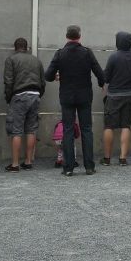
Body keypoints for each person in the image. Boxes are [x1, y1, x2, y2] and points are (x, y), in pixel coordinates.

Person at [45, 25, 106, 176]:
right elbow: (100, 74)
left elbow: (47, 76)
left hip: (66, 96)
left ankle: (68, 168)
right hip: (85, 96)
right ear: (79, 36)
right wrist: (100, 84)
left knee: (68, 130)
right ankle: (89, 167)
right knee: (86, 130)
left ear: (67, 36)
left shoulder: (60, 54)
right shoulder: (87, 52)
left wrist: (56, 77)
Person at [3, 37, 45, 172]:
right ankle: (28, 161)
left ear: (15, 47)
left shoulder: (11, 59)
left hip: (20, 96)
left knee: (16, 131)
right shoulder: (36, 60)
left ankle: (15, 164)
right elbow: (43, 82)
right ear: (27, 47)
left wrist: (9, 97)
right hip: (35, 95)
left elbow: (8, 81)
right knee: (31, 129)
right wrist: (39, 94)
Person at [101, 31, 131, 166]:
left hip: (113, 96)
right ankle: (122, 158)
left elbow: (105, 78)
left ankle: (106, 158)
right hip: (129, 95)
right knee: (126, 126)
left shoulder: (113, 57)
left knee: (109, 126)